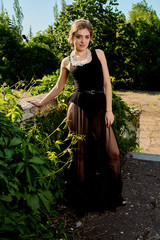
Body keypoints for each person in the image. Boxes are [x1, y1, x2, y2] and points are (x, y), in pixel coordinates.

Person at [27, 19, 126, 217]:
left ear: (90, 37)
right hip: (78, 106)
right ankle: (81, 201)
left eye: (87, 37)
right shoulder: (66, 61)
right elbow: (58, 87)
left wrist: (109, 110)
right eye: (79, 36)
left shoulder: (98, 54)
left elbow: (107, 83)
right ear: (72, 38)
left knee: (113, 153)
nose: (83, 41)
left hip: (99, 106)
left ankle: (114, 196)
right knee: (79, 156)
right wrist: (41, 102)